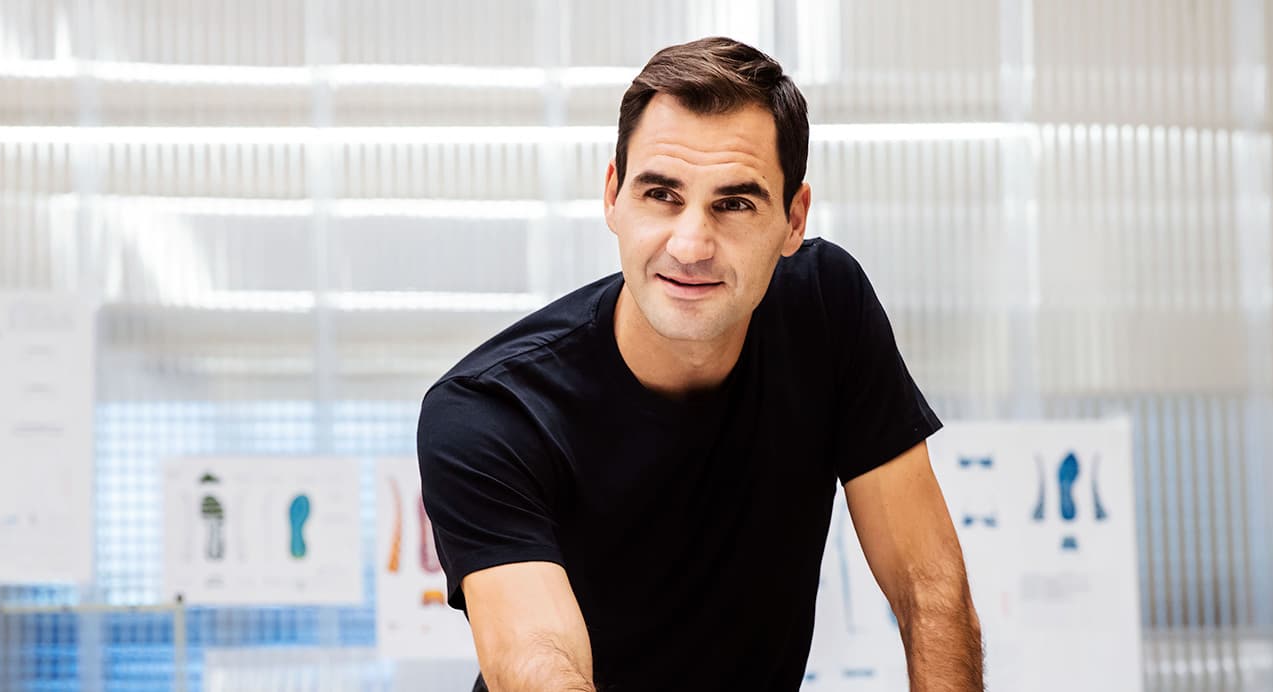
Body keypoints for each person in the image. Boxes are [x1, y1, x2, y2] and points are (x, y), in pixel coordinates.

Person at [417, 36, 982, 692]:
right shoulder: (492, 412)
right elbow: (540, 664)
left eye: (735, 203)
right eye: (662, 194)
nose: (691, 245)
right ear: (613, 196)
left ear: (793, 219)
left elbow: (929, 588)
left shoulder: (827, 309)